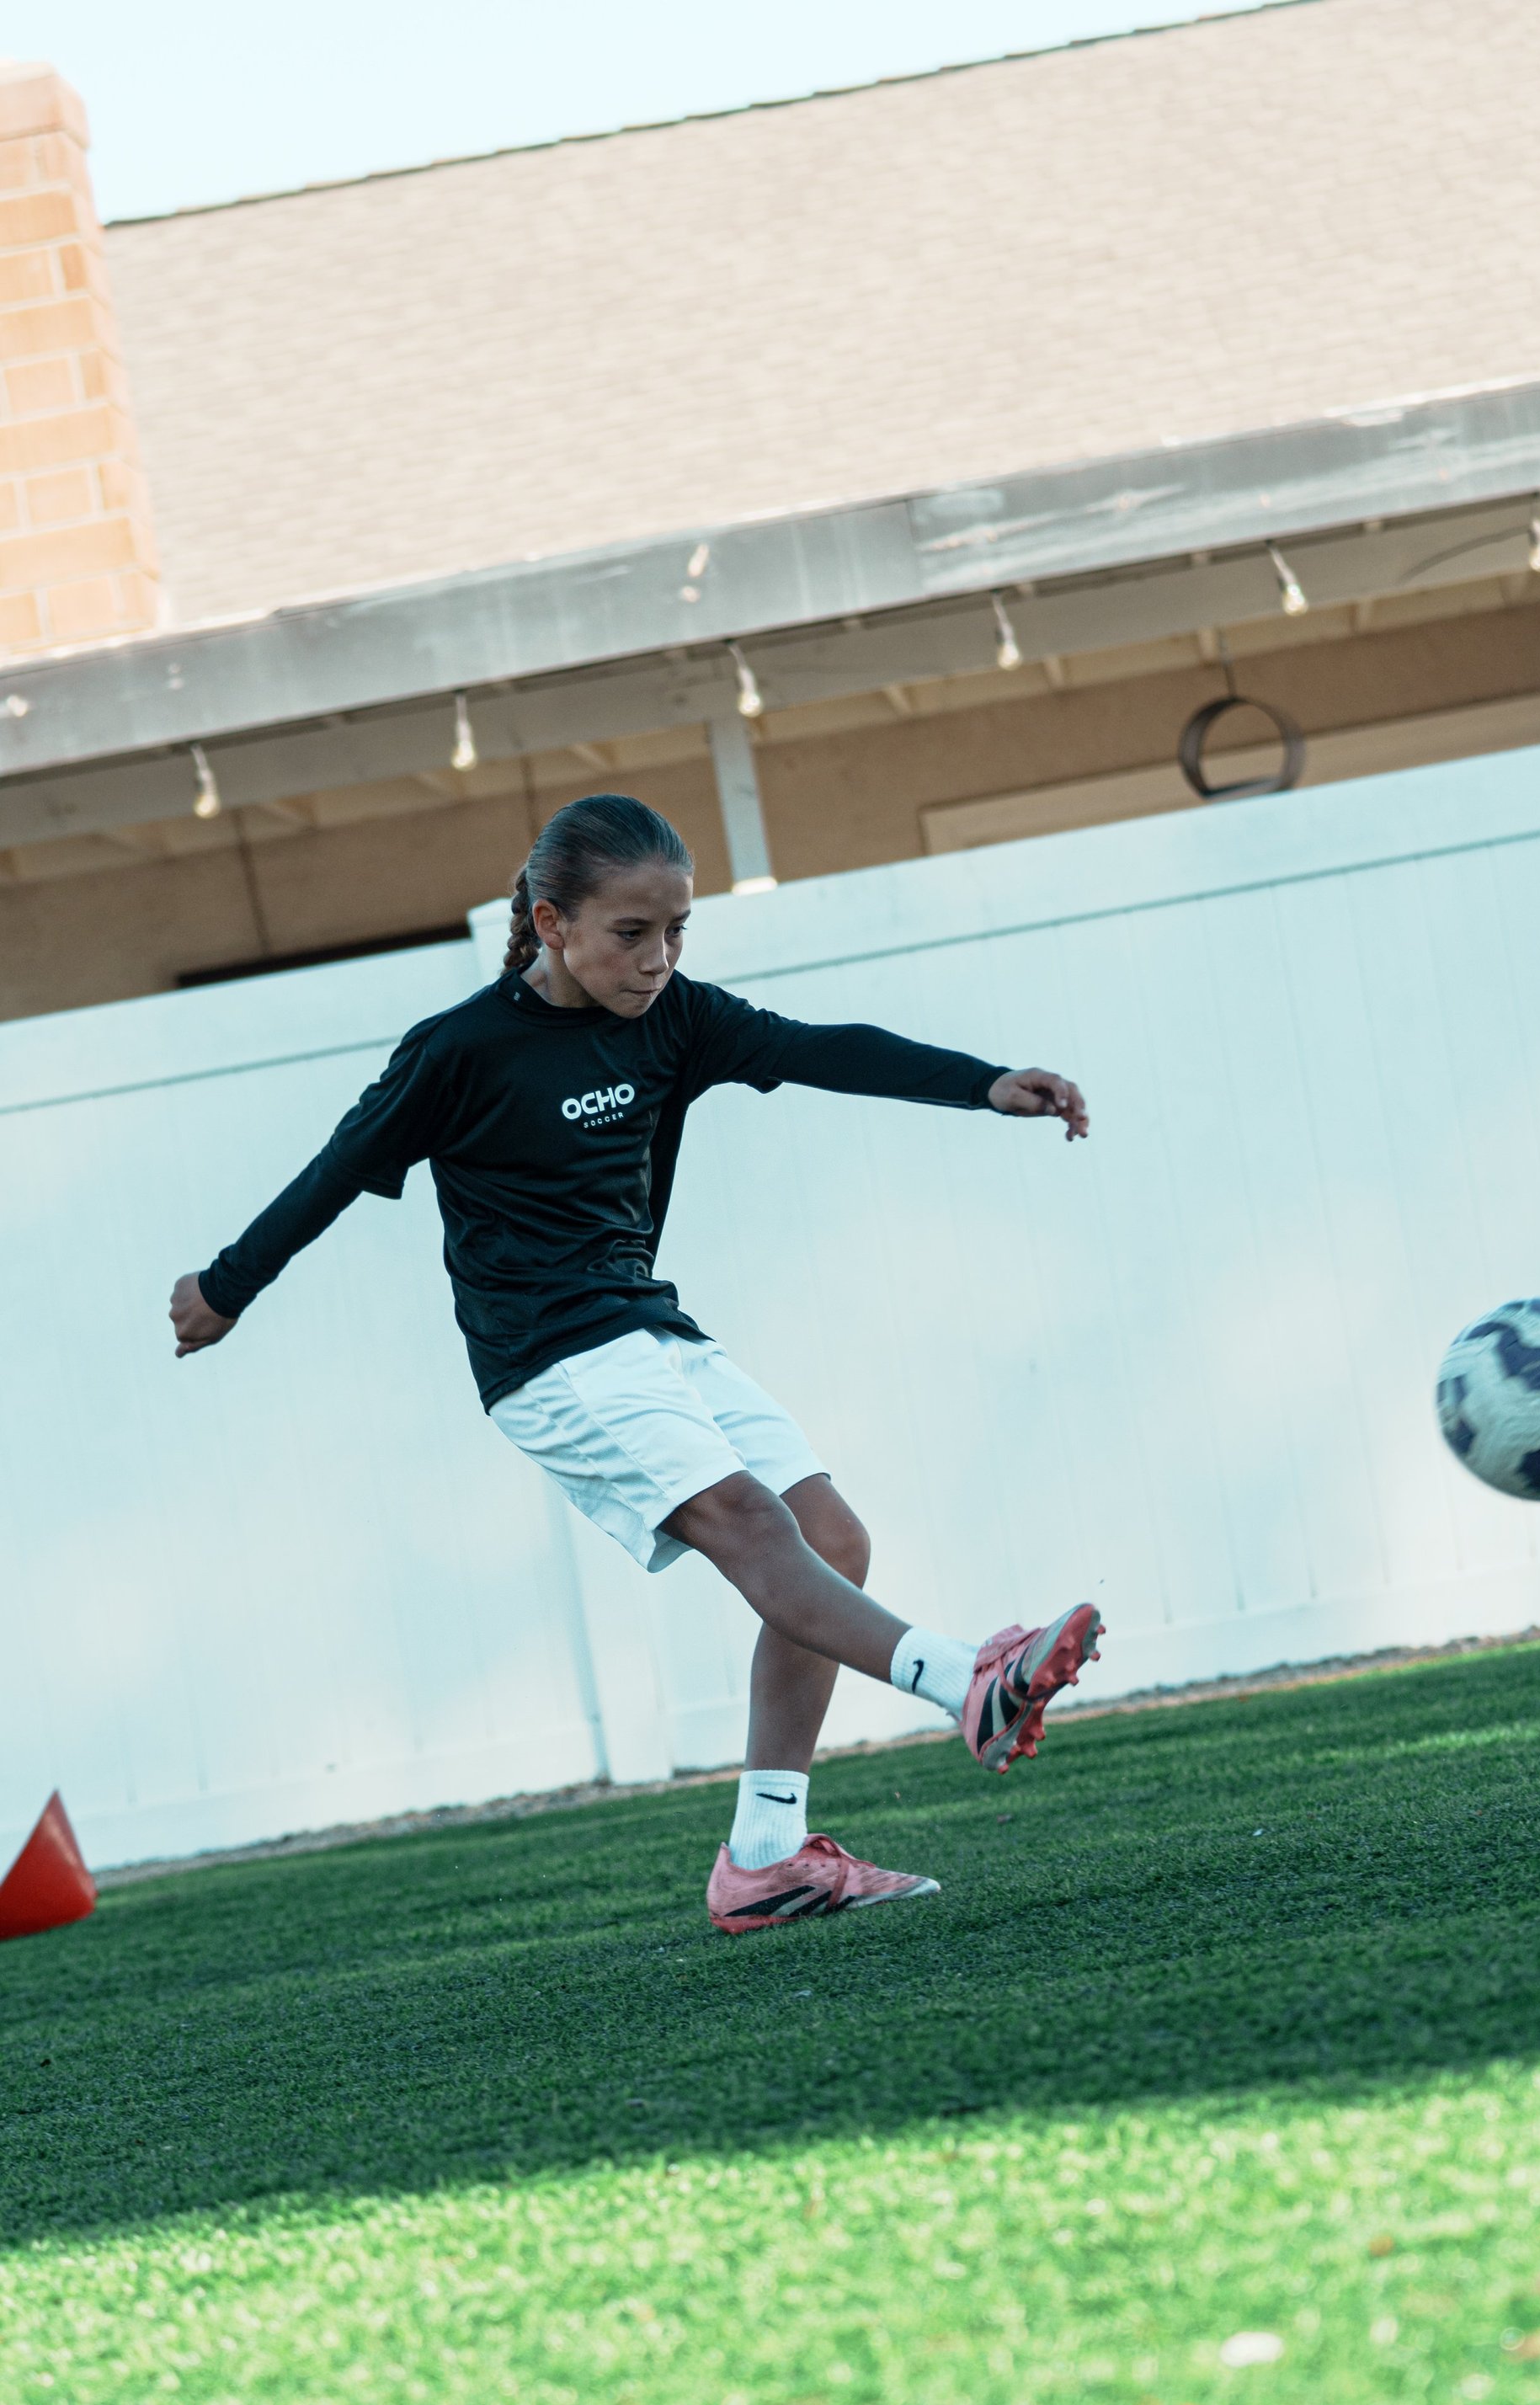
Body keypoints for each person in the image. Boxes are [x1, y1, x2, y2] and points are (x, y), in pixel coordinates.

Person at [170, 794, 1103, 1933]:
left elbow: (819, 1050)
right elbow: (332, 1171)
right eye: (630, 934)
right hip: (547, 1358)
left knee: (832, 1538)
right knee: (754, 1527)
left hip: (650, 1327)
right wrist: (223, 1288)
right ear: (551, 922)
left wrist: (982, 1081)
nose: (657, 959)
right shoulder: (459, 1052)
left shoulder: (678, 1020)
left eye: (676, 932)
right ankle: (969, 1684)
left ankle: (765, 1859)